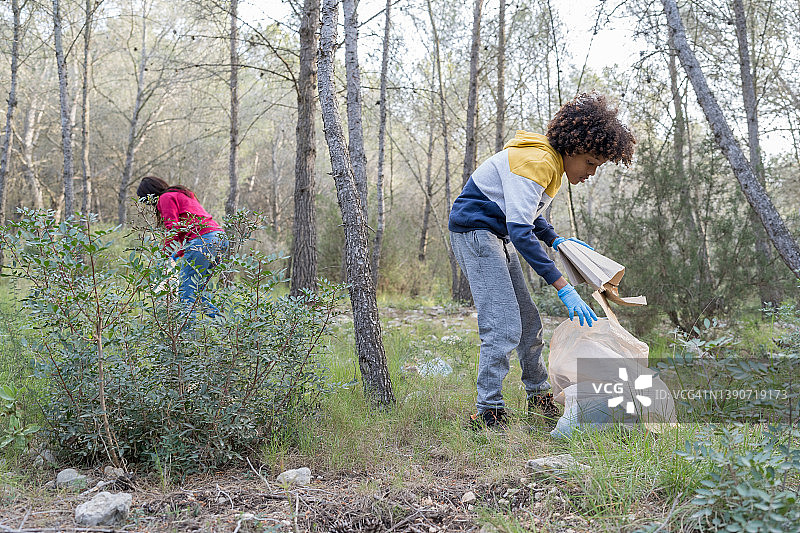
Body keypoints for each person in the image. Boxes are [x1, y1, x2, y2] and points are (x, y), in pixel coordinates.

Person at [448, 92, 636, 429]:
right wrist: (564, 288)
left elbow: (528, 215)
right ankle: (488, 412)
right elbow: (520, 231)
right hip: (475, 233)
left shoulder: (548, 162)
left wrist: (555, 238)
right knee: (503, 326)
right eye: (590, 162)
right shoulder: (537, 162)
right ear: (574, 148)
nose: (591, 171)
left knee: (530, 323)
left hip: (495, 234)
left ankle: (538, 397)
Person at [137, 176, 228, 317]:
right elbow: (189, 228)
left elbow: (172, 229)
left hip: (203, 241)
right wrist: (176, 254)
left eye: (146, 201)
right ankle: (226, 327)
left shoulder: (165, 198)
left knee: (186, 292)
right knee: (198, 292)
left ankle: (186, 337)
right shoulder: (182, 193)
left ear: (150, 195)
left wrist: (163, 256)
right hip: (219, 238)